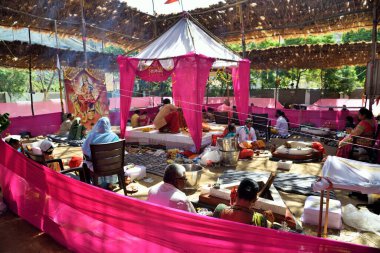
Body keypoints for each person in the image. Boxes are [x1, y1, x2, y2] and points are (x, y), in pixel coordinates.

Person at [82, 117, 119, 189]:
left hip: (97, 167)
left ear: (98, 125)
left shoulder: (91, 136)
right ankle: (110, 182)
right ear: (109, 125)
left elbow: (84, 149)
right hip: (113, 166)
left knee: (85, 161)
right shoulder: (114, 136)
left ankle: (98, 183)